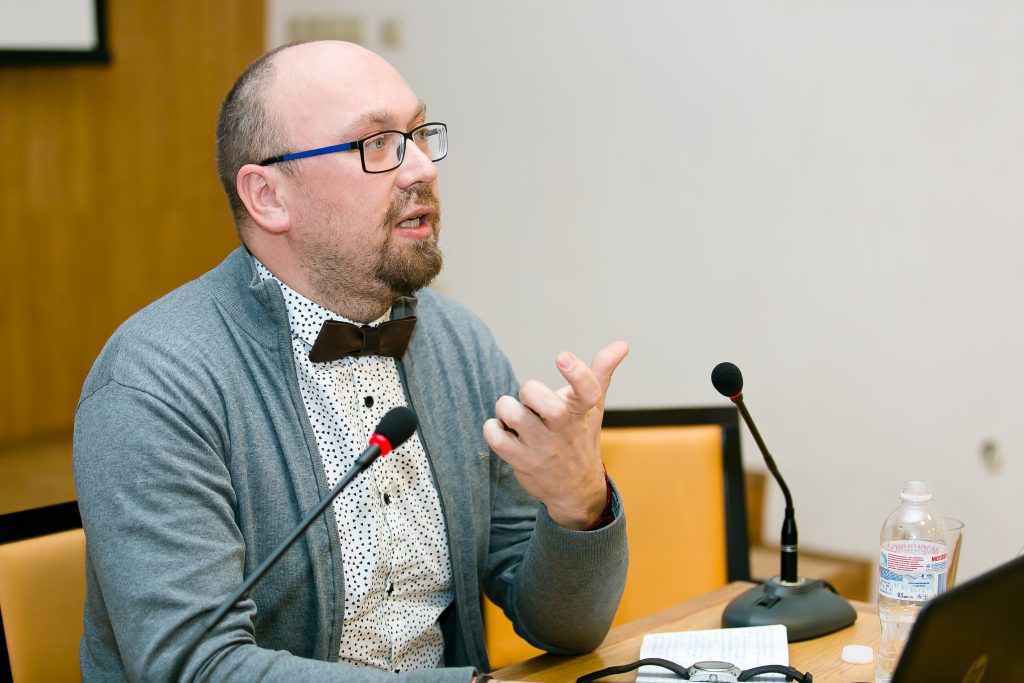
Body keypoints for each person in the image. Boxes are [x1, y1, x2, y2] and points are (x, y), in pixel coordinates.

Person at [73, 40, 629, 682]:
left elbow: (564, 628)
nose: (420, 168)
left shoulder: (460, 345)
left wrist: (578, 507)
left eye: (418, 134)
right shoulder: (156, 383)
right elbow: (195, 668)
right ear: (268, 196)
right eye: (376, 143)